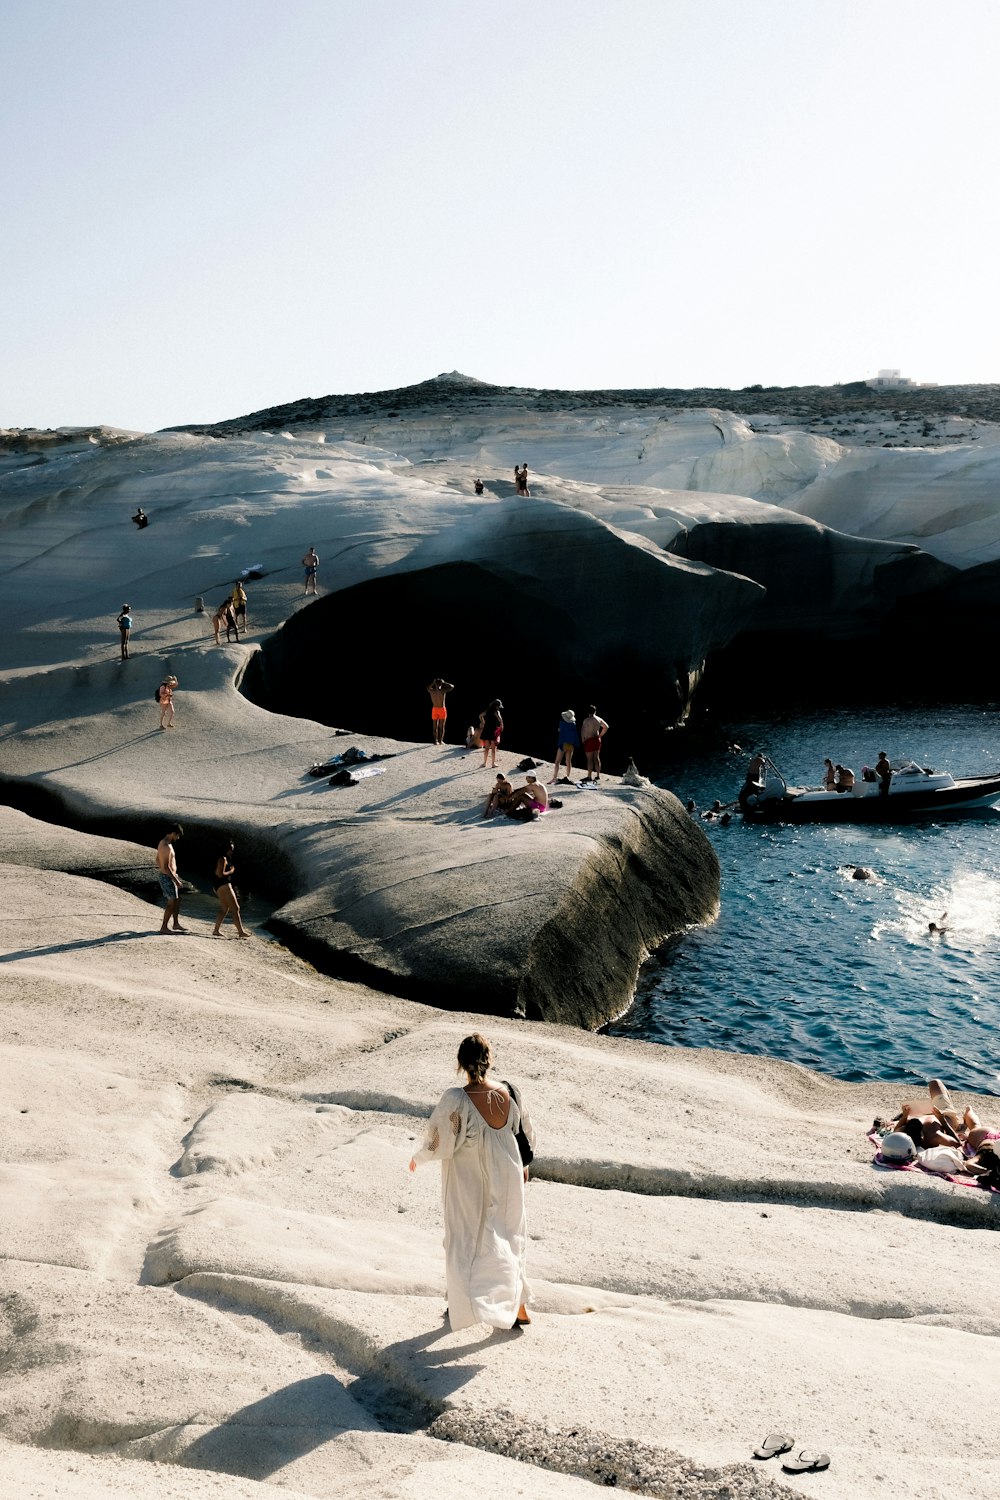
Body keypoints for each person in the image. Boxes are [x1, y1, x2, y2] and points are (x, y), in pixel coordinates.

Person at [409, 1032, 534, 1331]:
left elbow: (440, 1139)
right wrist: (524, 1167)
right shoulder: (510, 1092)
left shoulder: (457, 1099)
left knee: (464, 1239)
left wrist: (420, 1157)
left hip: (470, 1180)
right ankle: (518, 1306)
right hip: (509, 1175)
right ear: (489, 1061)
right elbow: (524, 1133)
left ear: (460, 1064)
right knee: (509, 1236)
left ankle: (463, 1305)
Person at [212, 840, 249, 939]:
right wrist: (231, 871)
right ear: (226, 849)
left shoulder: (222, 858)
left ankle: (216, 930)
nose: (232, 851)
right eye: (231, 849)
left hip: (219, 885)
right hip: (224, 885)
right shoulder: (223, 859)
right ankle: (241, 932)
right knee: (236, 908)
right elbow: (220, 874)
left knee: (225, 908)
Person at [155, 825, 186, 934]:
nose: (178, 838)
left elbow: (157, 859)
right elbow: (166, 866)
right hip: (167, 877)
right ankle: (164, 927)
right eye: (177, 835)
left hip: (169, 876)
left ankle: (176, 924)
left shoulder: (165, 844)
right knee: (171, 902)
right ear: (173, 833)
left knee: (177, 900)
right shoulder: (166, 846)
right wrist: (176, 880)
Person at [580, 706, 609, 782]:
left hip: (589, 740)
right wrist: (600, 735)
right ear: (595, 711)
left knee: (589, 759)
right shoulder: (599, 719)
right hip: (597, 740)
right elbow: (606, 727)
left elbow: (583, 730)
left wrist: (583, 739)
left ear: (588, 712)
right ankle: (598, 775)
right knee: (596, 758)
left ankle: (589, 777)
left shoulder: (586, 720)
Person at [550, 711, 578, 784]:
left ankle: (554, 778)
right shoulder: (573, 724)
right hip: (571, 744)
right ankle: (567, 776)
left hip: (564, 743)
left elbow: (560, 731)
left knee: (557, 761)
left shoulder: (562, 723)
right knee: (568, 762)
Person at [427, 677, 454, 745]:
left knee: (436, 726)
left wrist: (433, 683)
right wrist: (444, 682)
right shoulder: (442, 690)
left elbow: (428, 688)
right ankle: (439, 741)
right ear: (440, 684)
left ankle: (438, 741)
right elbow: (452, 686)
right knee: (440, 726)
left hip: (436, 709)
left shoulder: (432, 690)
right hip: (441, 709)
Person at [479, 700, 503, 768]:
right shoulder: (497, 712)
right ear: (496, 706)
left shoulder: (488, 710)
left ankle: (484, 763)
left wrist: (483, 722)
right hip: (493, 730)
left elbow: (480, 715)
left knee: (486, 748)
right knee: (493, 749)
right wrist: (501, 727)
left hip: (487, 730)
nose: (499, 708)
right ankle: (493, 764)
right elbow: (500, 720)